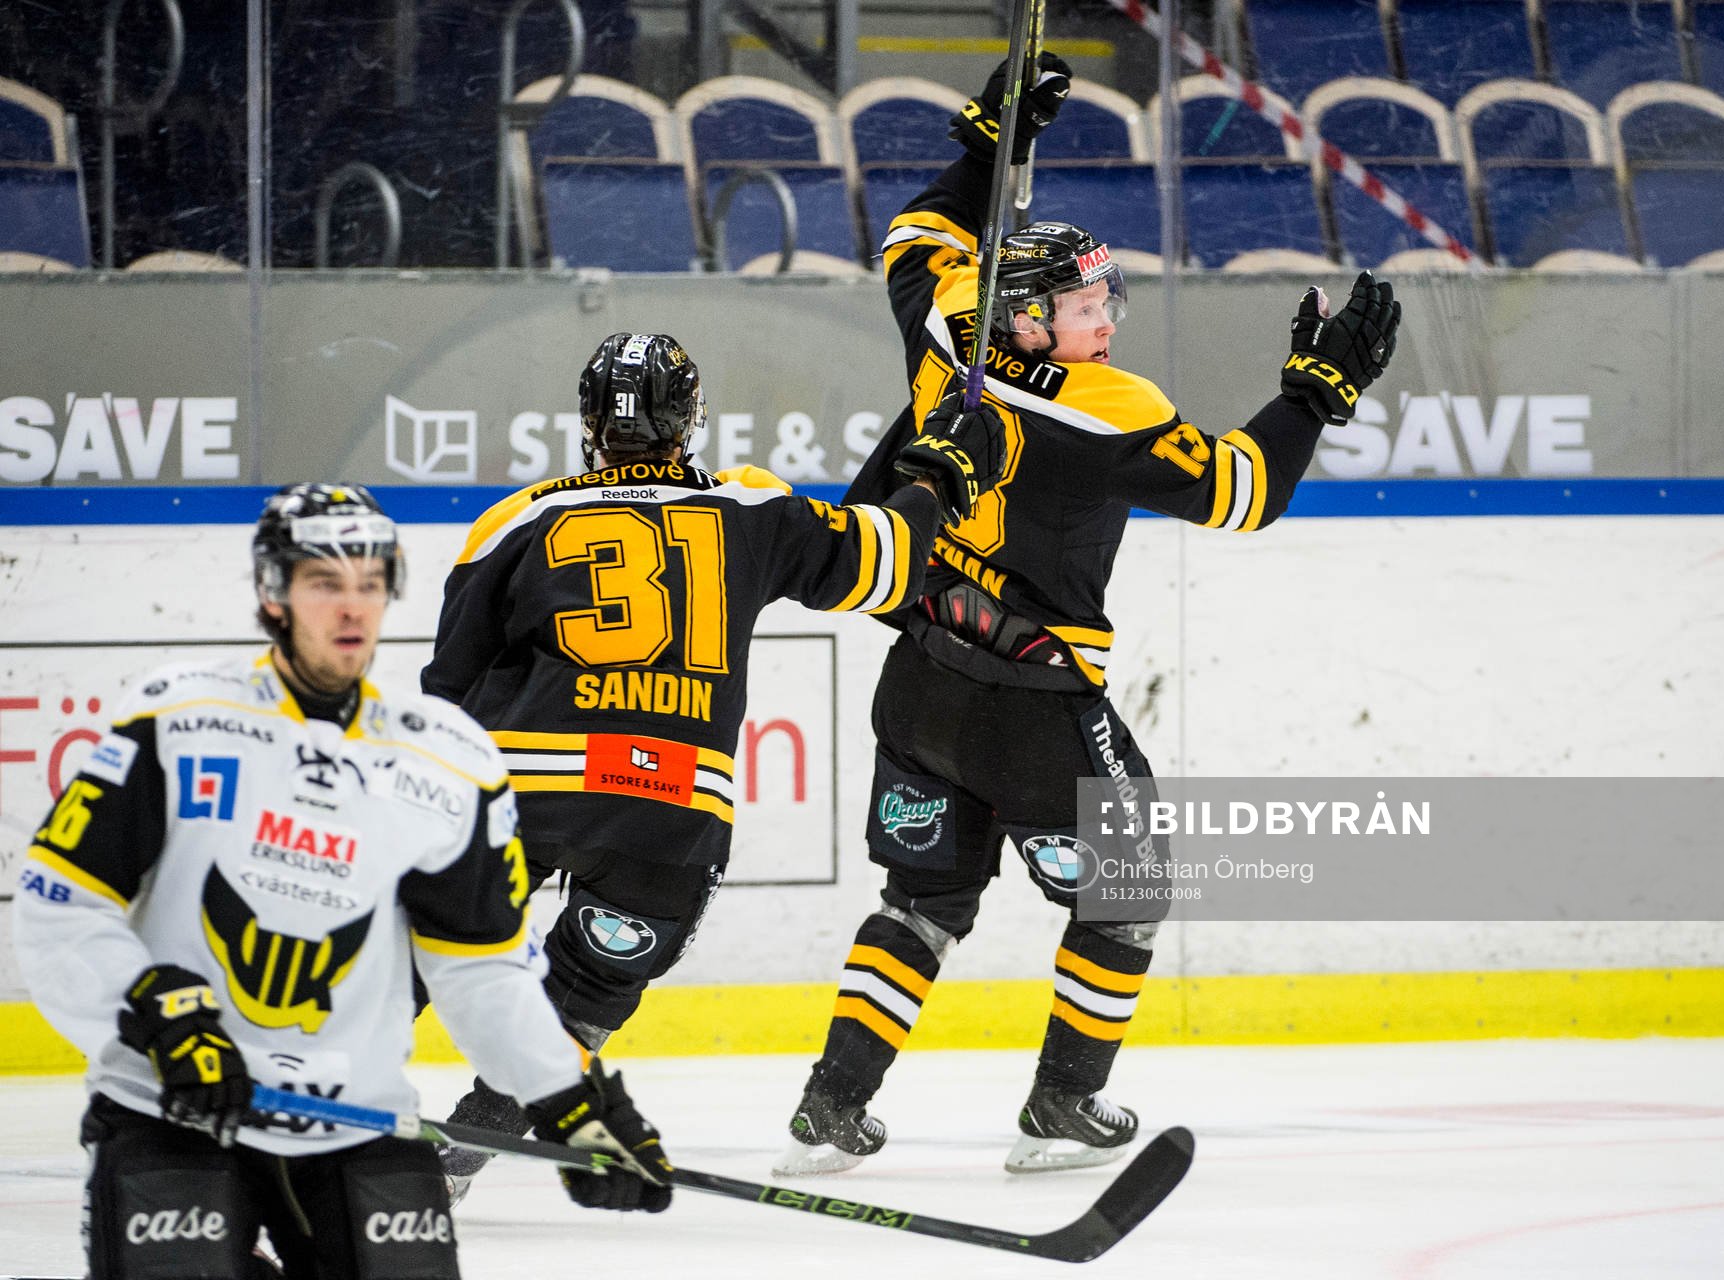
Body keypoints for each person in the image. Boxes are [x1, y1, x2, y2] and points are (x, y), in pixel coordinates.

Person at [775, 56, 1401, 1176]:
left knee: (923, 898)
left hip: (918, 682)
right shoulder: (1107, 412)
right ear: (1026, 321)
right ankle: (1062, 1103)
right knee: (1135, 882)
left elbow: (914, 236)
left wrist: (987, 140)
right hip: (1031, 705)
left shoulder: (947, 326)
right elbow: (1241, 492)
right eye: (1078, 306)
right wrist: (1316, 386)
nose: (1103, 321)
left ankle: (834, 1098)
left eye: (1105, 298)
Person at [12, 483, 677, 1280]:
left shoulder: (446, 759)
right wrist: (156, 1015)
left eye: (369, 582)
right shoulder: (177, 722)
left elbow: (482, 970)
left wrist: (571, 1099)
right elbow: (62, 906)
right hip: (176, 1107)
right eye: (325, 582)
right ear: (273, 591)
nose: (351, 606)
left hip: (355, 1119)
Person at [419, 332, 1004, 1199]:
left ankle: (319, 1095)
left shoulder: (518, 517)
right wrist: (940, 476)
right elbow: (882, 564)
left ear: (587, 421)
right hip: (669, 803)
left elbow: (446, 690)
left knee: (425, 948)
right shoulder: (748, 506)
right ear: (692, 418)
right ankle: (472, 1140)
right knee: (594, 978)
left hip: (521, 791)